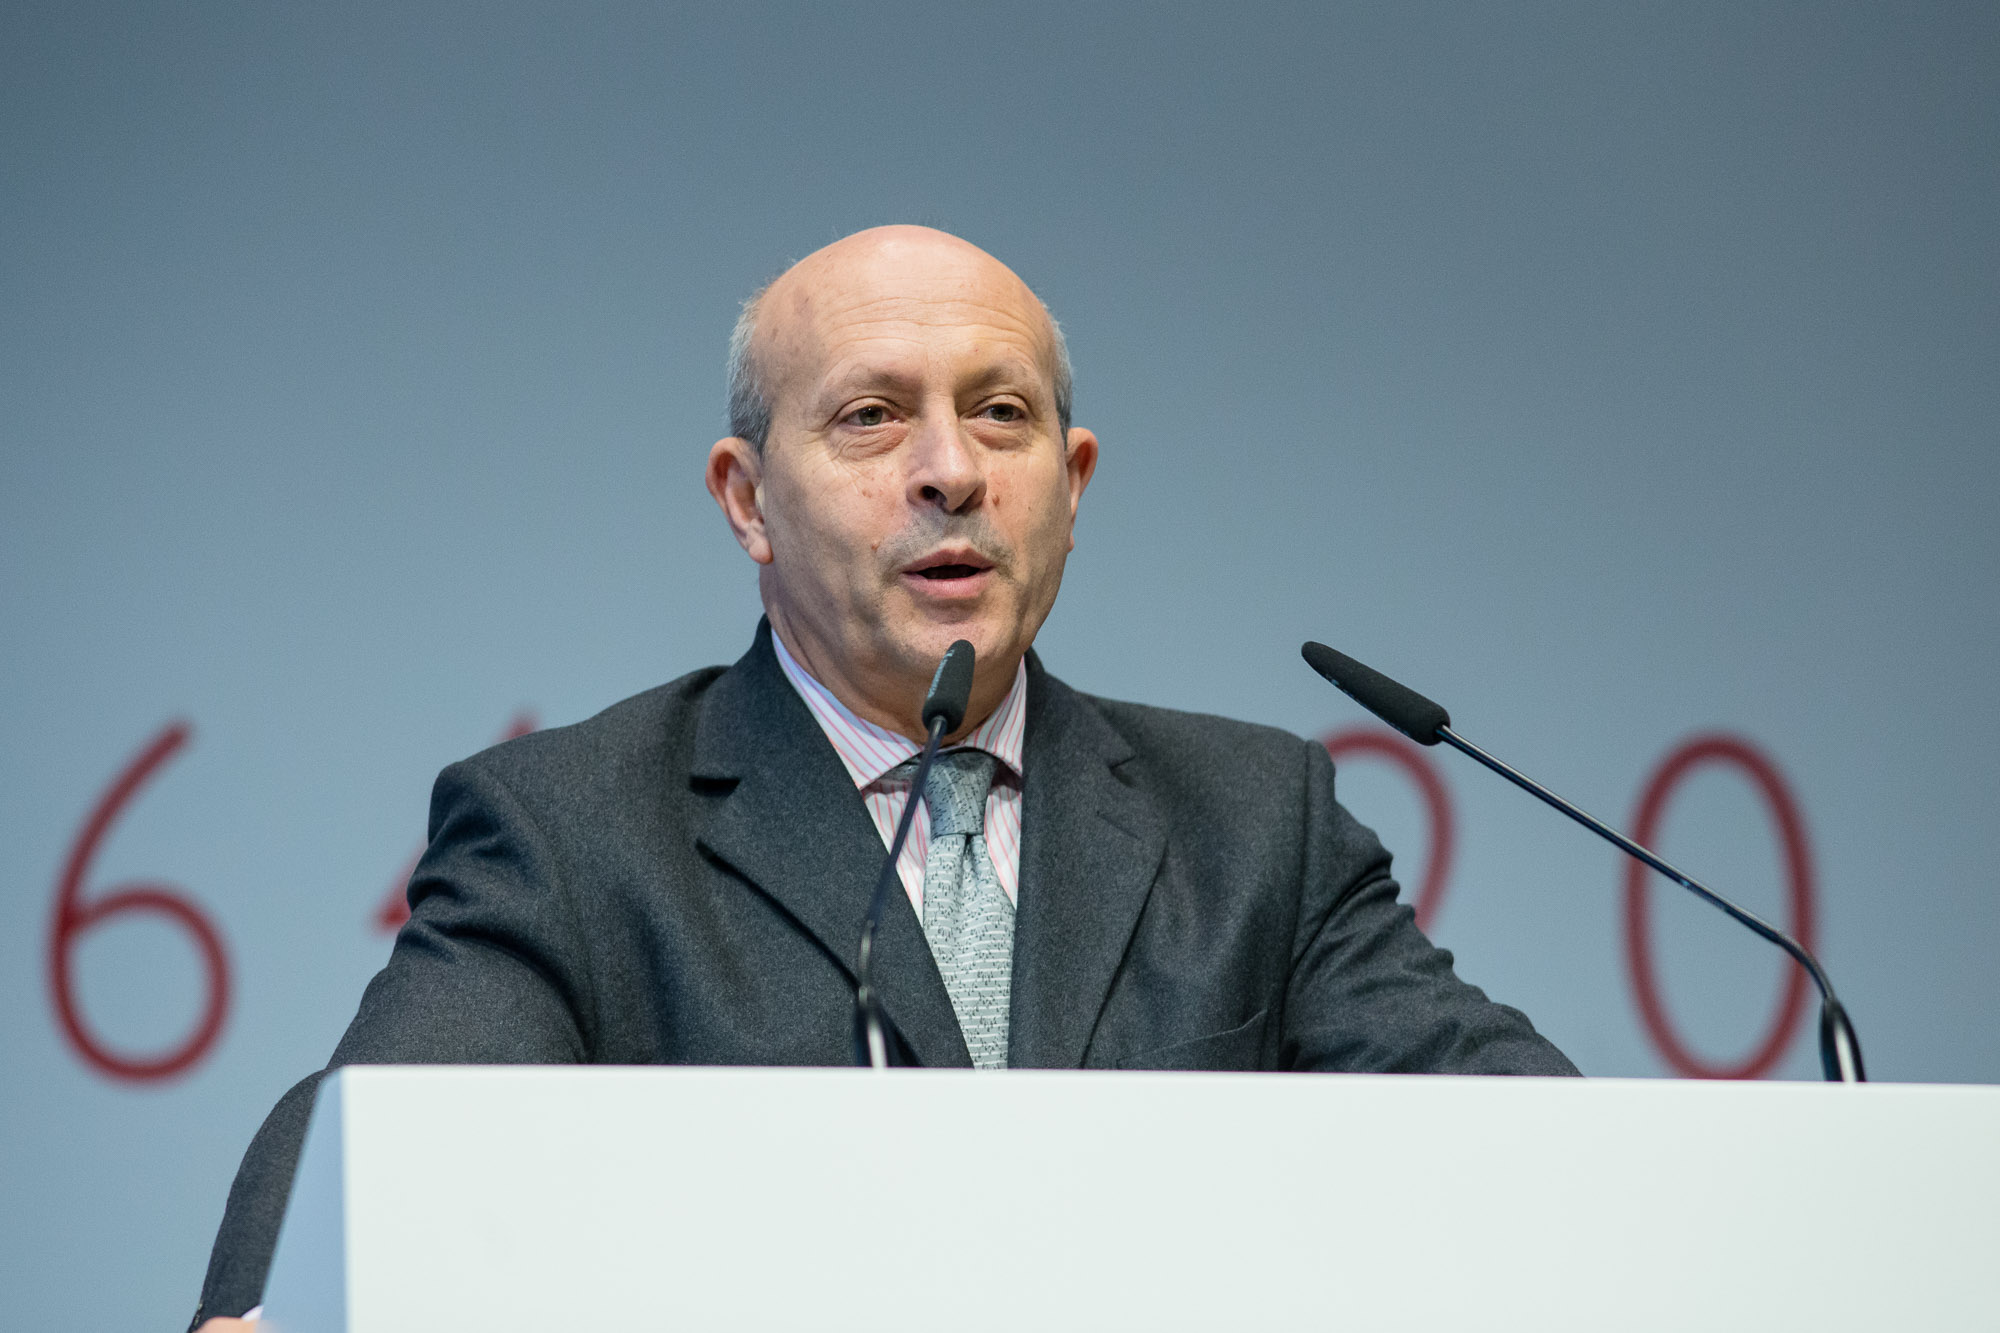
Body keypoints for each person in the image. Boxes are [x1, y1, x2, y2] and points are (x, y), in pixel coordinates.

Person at [190, 225, 1575, 1330]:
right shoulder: (577, 828)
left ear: (1074, 484)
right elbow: (383, 1124)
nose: (949, 472)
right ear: (747, 498)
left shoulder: (1257, 818)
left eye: (1001, 415)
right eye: (870, 416)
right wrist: (272, 1303)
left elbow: (1518, 1135)